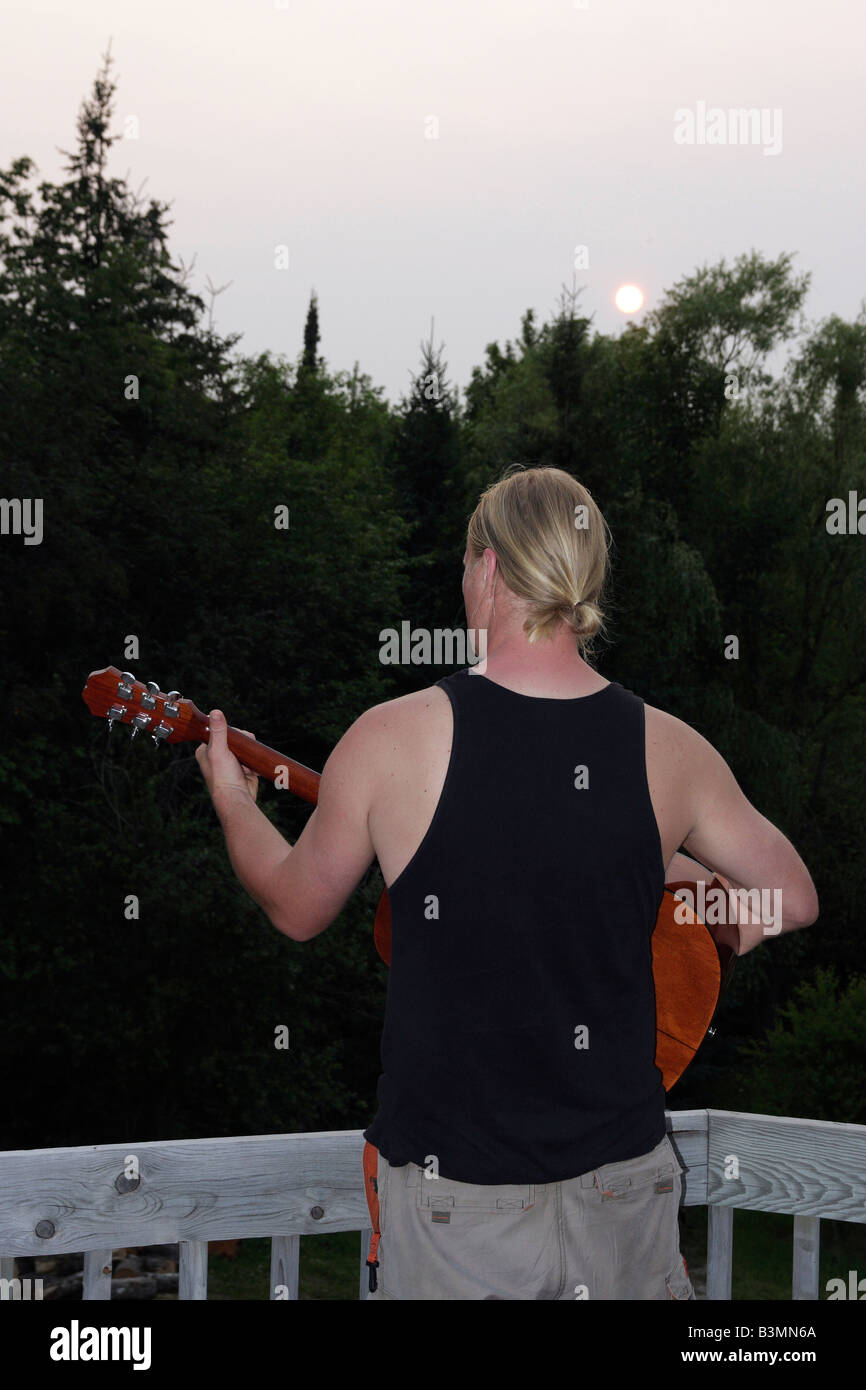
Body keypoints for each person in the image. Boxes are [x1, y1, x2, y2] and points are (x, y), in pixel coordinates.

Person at [196, 465, 819, 1301]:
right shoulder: (671, 749)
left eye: (463, 565)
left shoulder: (392, 739)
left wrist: (234, 801)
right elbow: (792, 898)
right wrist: (680, 888)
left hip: (461, 1211)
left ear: (487, 568)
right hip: (626, 1191)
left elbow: (297, 905)